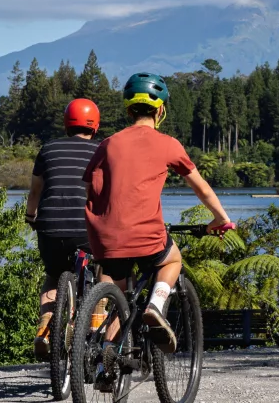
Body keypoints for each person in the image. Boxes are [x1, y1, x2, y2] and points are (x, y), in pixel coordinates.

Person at [82, 72, 232, 354]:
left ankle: (106, 359)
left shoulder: (108, 144)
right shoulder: (168, 144)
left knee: (117, 298)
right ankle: (156, 305)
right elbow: (201, 188)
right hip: (146, 236)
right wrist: (221, 219)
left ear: (128, 109)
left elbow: (91, 189)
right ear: (160, 109)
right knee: (172, 258)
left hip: (105, 238)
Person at [26, 98, 102, 358]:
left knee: (52, 275)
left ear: (66, 124)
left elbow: (36, 191)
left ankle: (44, 329)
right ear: (95, 126)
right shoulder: (100, 150)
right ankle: (95, 322)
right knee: (105, 269)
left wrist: (30, 216)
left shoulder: (48, 149)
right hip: (85, 229)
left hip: (49, 227)